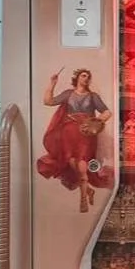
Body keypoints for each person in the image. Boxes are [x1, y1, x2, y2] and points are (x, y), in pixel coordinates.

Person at [37, 68, 113, 212]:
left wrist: (96, 122)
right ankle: (88, 190)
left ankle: (83, 199)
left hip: (86, 132)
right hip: (68, 132)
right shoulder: (68, 93)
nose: (86, 78)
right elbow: (48, 101)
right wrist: (52, 83)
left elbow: (107, 112)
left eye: (88, 77)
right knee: (72, 161)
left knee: (82, 161)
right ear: (77, 78)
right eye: (83, 76)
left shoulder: (93, 96)